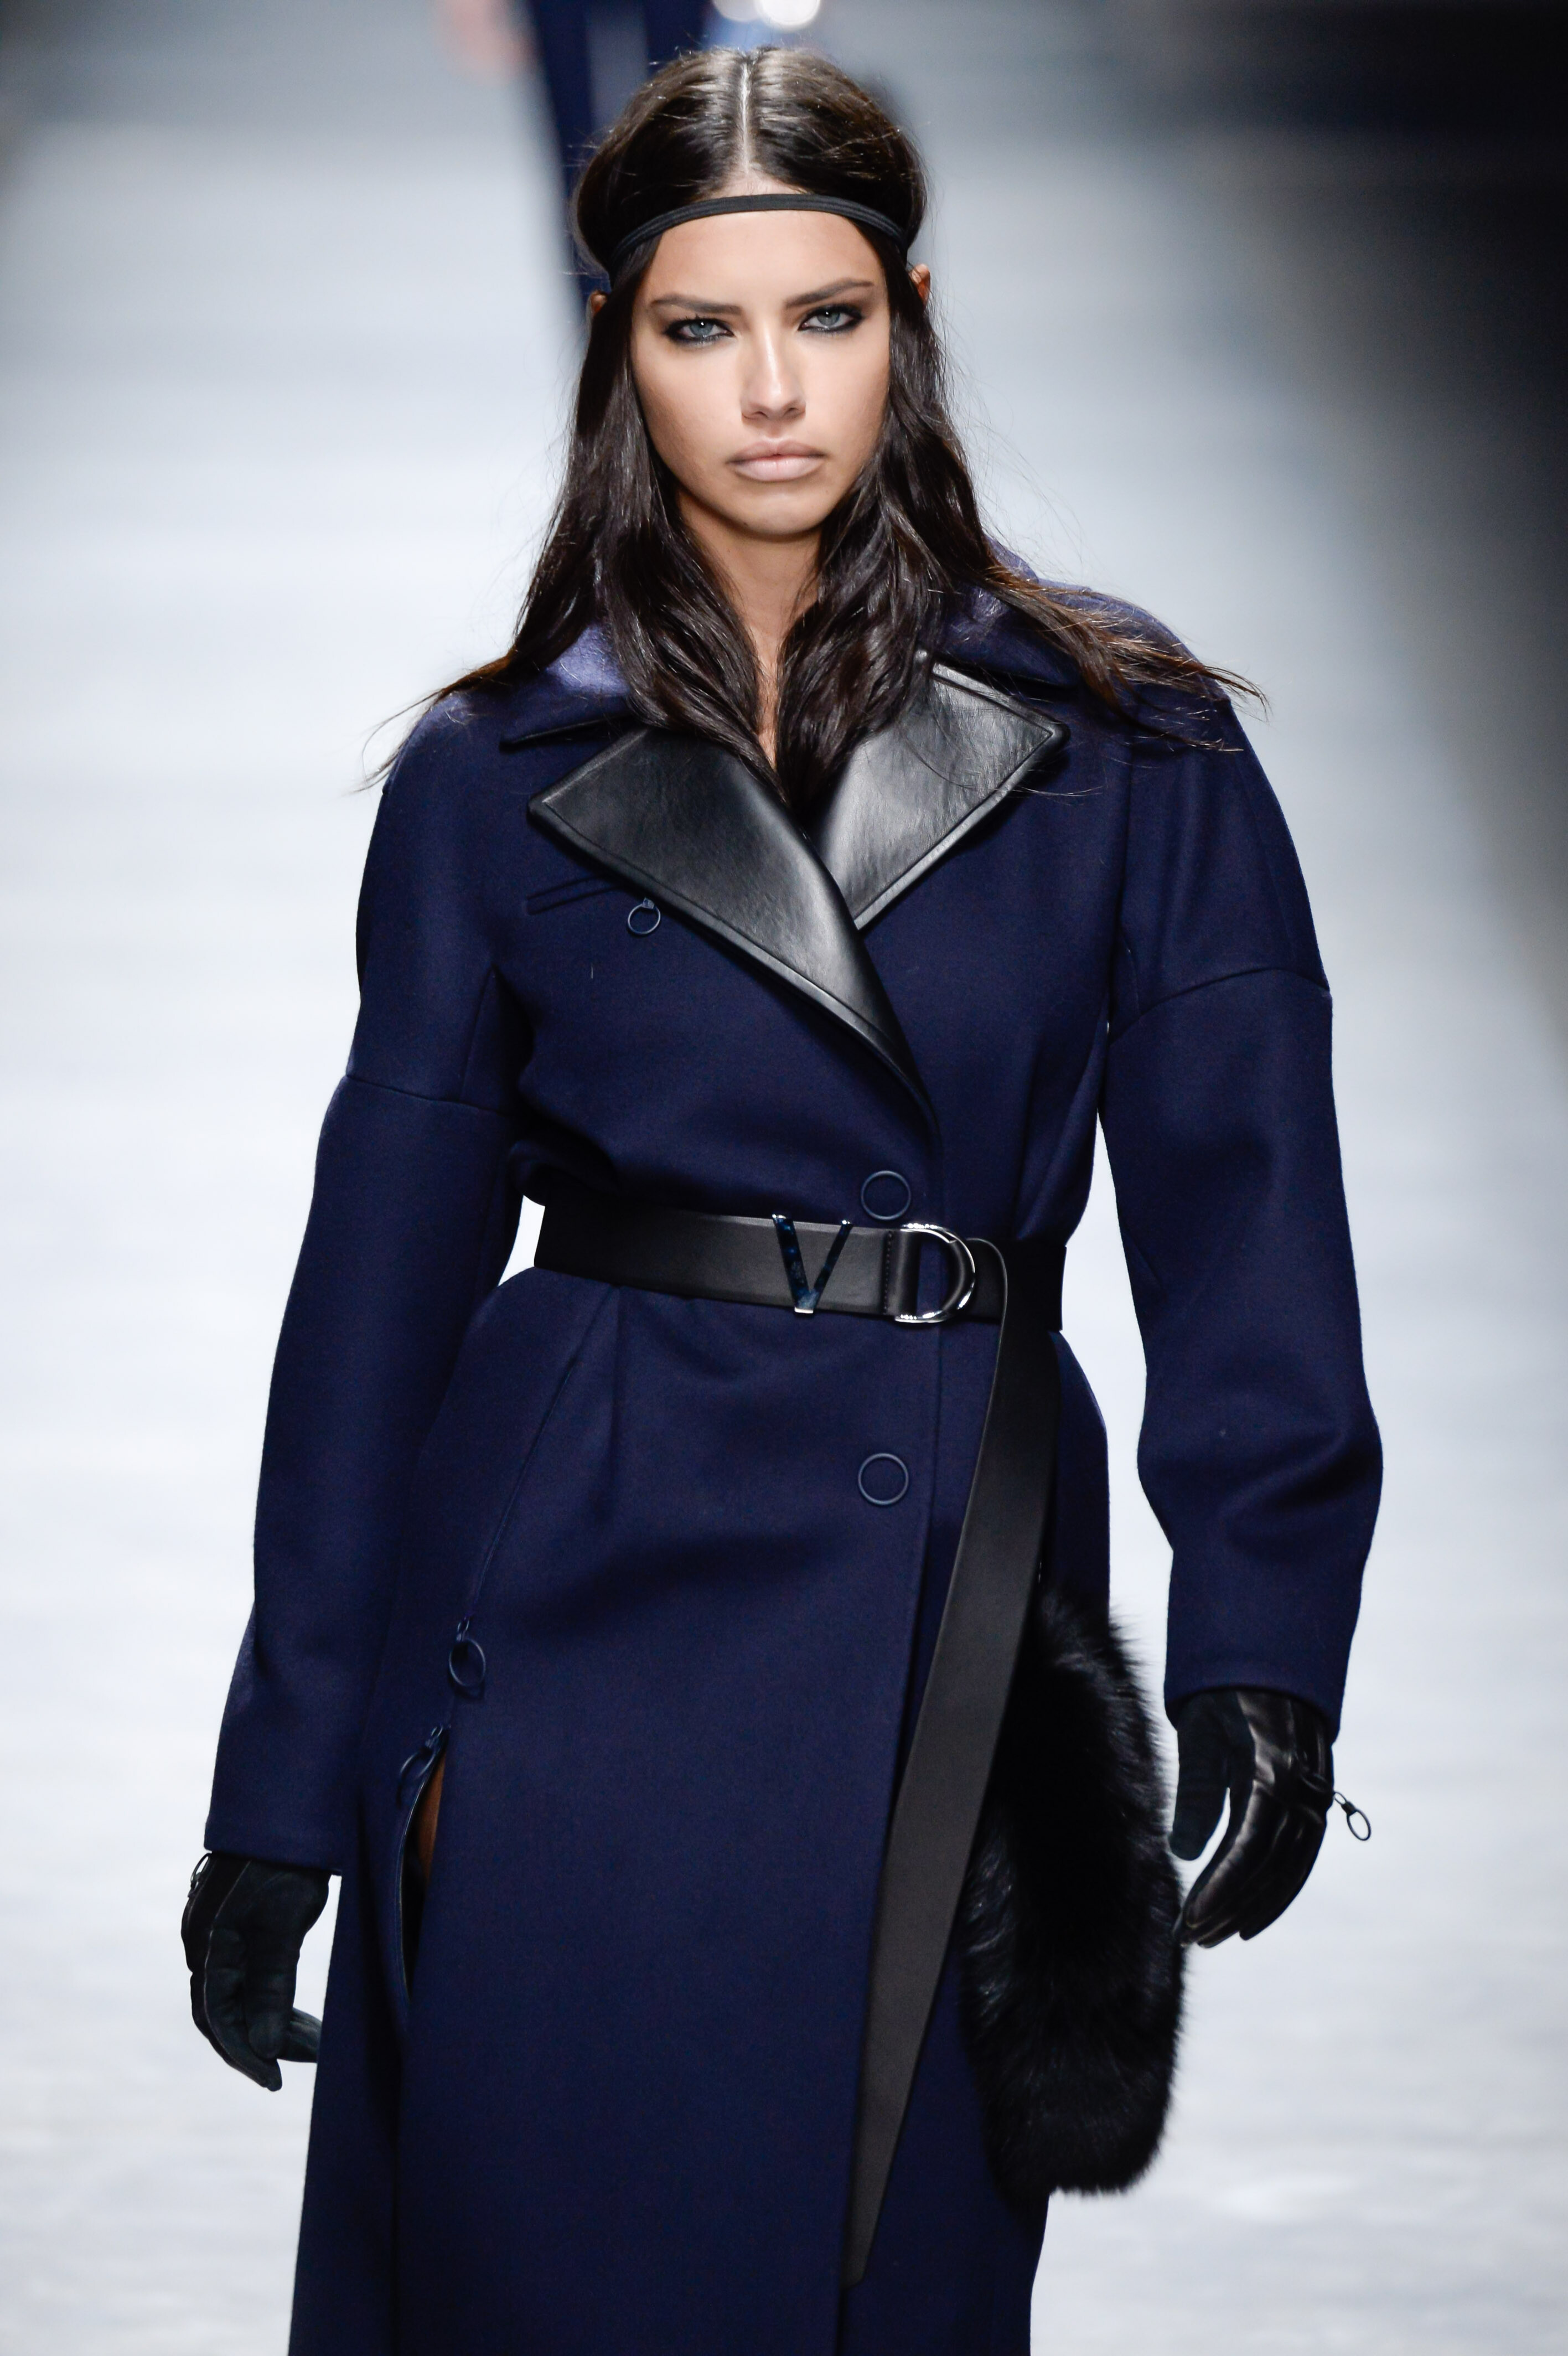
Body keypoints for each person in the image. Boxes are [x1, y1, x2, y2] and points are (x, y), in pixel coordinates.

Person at [182, 45, 1381, 2356]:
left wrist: (1266, 1632)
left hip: (938, 1590)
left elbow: (1247, 1205)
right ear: (618, 347)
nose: (767, 391)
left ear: (907, 323)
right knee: (537, 2258)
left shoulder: (1127, 746)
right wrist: (285, 1784)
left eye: (823, 319)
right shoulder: (495, 774)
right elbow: (375, 1309)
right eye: (700, 327)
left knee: (885, 2256)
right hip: (562, 1585)